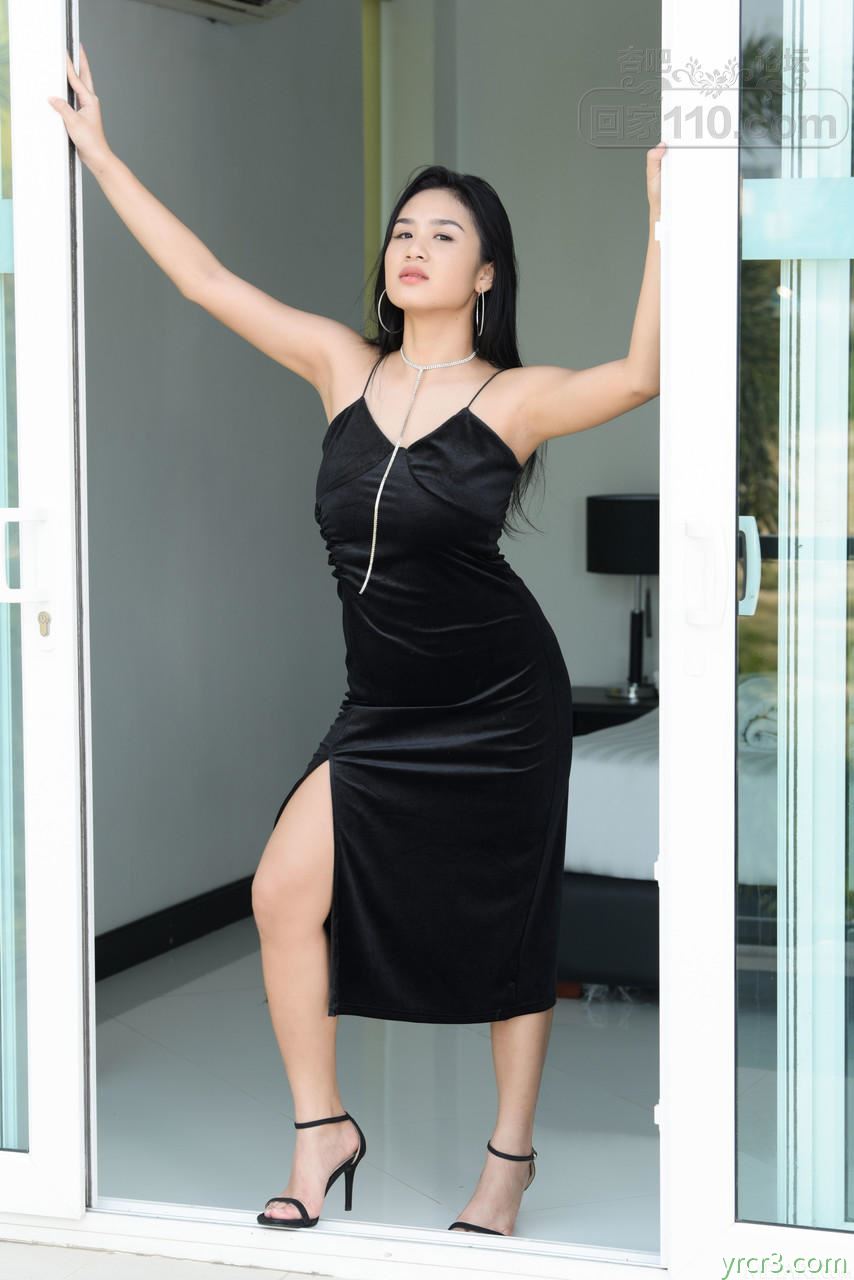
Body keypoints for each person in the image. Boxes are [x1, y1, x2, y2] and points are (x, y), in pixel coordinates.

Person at [50, 46, 663, 1238]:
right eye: (402, 230)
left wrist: (661, 220)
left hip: (501, 697)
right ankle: (320, 1127)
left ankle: (507, 1161)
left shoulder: (512, 398)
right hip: (382, 705)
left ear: (484, 273)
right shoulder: (341, 364)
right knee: (283, 887)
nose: (413, 245)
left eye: (443, 233)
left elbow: (640, 374)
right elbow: (204, 281)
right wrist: (101, 154)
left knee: (507, 922)